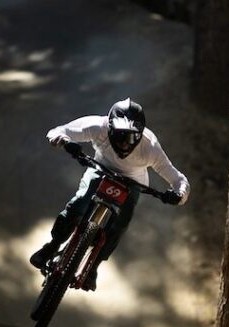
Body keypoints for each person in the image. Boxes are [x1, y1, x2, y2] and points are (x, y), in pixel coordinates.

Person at [30, 98, 190, 290]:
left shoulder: (151, 147)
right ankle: (53, 246)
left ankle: (93, 267)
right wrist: (63, 141)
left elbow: (179, 180)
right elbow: (58, 131)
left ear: (140, 135)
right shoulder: (98, 126)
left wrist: (179, 195)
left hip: (133, 182)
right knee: (79, 202)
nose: (124, 144)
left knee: (120, 225)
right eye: (120, 136)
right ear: (110, 127)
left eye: (130, 138)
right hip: (100, 169)